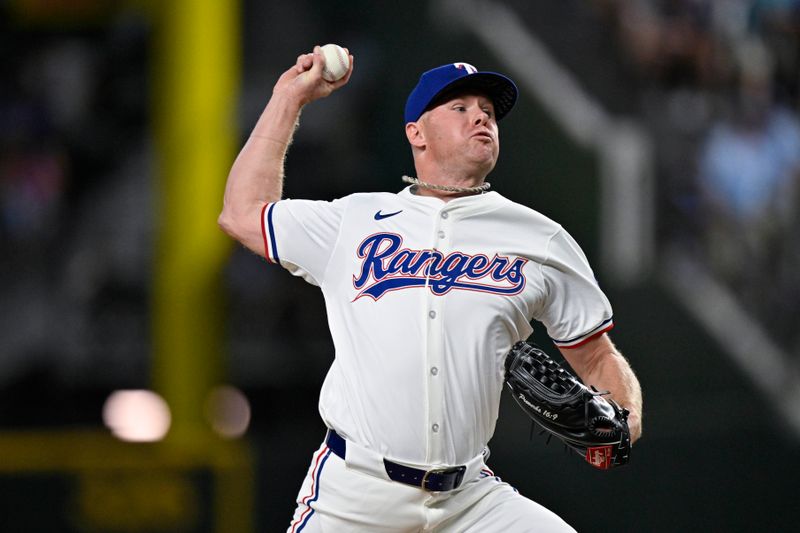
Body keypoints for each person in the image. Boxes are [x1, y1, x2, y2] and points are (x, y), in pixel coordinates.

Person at [219, 46, 643, 532]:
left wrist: (623, 421)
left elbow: (595, 355)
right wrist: (287, 99)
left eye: (487, 112)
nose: (480, 118)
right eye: (460, 108)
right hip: (356, 494)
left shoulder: (540, 237)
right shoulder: (354, 220)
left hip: (469, 500)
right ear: (415, 134)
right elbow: (241, 213)